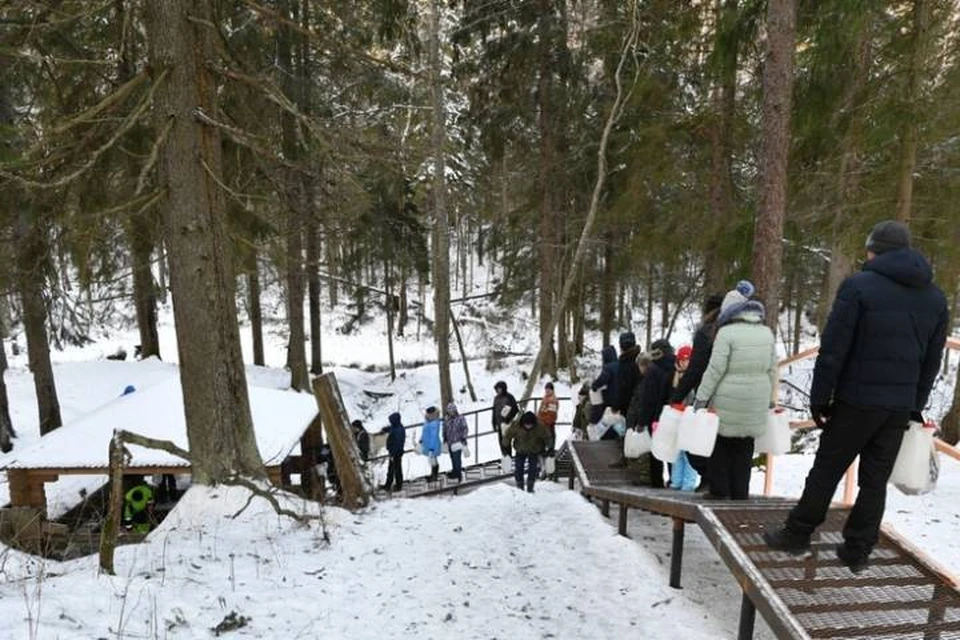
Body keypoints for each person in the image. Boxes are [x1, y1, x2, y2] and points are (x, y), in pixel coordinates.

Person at [764, 221, 948, 573]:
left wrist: (820, 399)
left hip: (856, 400)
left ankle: (798, 534)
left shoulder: (859, 287)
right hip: (897, 407)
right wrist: (915, 405)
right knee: (874, 480)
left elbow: (834, 349)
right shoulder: (935, 298)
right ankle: (858, 550)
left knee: (827, 469)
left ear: (873, 249)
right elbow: (932, 359)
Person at [694, 280, 776, 501]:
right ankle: (740, 492)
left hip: (728, 398)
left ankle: (720, 491)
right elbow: (772, 370)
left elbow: (715, 369)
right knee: (745, 445)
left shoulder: (726, 334)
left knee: (721, 444)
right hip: (756, 398)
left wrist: (701, 397)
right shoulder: (766, 334)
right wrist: (770, 399)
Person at [670, 293, 725, 481]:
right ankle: (728, 486)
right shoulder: (736, 331)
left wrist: (677, 396)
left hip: (708, 395)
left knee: (697, 443)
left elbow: (696, 368)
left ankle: (710, 479)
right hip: (738, 397)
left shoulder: (706, 333)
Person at [631, 339, 676, 487]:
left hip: (656, 417)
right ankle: (674, 480)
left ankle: (657, 481)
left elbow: (648, 399)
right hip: (675, 414)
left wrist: (642, 421)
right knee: (672, 449)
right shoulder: (677, 366)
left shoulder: (653, 369)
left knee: (655, 450)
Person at [670, 345, 699, 491]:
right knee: (678, 452)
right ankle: (676, 481)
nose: (684, 363)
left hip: (690, 419)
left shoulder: (694, 377)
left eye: (687, 360)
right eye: (682, 360)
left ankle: (688, 484)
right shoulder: (675, 377)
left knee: (688, 452)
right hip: (678, 418)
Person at [502, 411, 550, 493]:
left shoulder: (539, 427)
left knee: (533, 469)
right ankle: (520, 487)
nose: (528, 427)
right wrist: (505, 447)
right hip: (520, 450)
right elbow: (508, 436)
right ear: (523, 423)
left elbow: (547, 437)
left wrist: (549, 448)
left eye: (530, 425)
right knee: (518, 468)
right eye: (526, 425)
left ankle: (530, 487)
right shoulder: (516, 425)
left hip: (534, 450)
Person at [590, 345, 620, 424]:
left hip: (611, 398)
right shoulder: (620, 364)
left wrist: (594, 385)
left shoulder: (608, 367)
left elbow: (602, 380)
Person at [492, 381, 519, 462]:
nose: (498, 391)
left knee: (507, 441)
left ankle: (509, 458)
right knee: (501, 442)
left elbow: (515, 409)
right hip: (500, 423)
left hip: (508, 423)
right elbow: (494, 411)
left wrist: (509, 418)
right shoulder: (496, 398)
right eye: (497, 389)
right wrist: (494, 423)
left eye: (499, 389)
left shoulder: (509, 397)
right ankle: (505, 457)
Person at [379, 412, 406, 491]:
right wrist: (385, 429)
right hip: (395, 452)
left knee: (396, 470)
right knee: (392, 469)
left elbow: (397, 443)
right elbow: (391, 428)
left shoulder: (398, 430)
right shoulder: (397, 427)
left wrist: (392, 453)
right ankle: (389, 484)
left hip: (396, 452)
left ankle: (397, 486)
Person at [537, 382, 559, 478]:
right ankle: (545, 471)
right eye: (546, 389)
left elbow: (551, 416)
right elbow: (540, 412)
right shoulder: (545, 398)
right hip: (542, 427)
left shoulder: (552, 400)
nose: (547, 391)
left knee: (549, 450)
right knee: (542, 450)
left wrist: (544, 423)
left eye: (548, 389)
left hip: (548, 427)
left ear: (552, 390)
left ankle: (549, 472)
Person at [443, 403, 469, 481]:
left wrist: (463, 438)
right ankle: (455, 471)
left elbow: (465, 428)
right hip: (450, 442)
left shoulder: (460, 418)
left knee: (457, 458)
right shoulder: (446, 419)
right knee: (452, 458)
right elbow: (444, 430)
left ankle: (458, 473)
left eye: (452, 411)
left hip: (458, 441)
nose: (451, 412)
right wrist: (444, 438)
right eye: (449, 411)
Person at [420, 406, 443, 482]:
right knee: (432, 460)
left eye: (429, 414)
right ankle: (433, 475)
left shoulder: (434, 423)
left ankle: (434, 477)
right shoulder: (428, 421)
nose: (427, 415)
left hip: (433, 445)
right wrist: (421, 440)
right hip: (428, 444)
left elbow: (433, 437)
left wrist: (431, 449)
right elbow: (424, 432)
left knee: (433, 460)